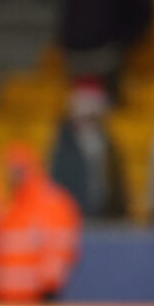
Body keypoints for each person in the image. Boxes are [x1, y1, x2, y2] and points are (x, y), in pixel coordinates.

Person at [0, 142, 82, 303]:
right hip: (4, 298)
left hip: (36, 298)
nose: (12, 175)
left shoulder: (52, 203)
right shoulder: (8, 204)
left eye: (18, 169)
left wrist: (49, 287)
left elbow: (60, 249)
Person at [49, 77, 127, 219]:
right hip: (73, 216)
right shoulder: (63, 143)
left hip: (105, 217)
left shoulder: (108, 143)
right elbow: (57, 183)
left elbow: (117, 183)